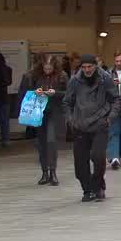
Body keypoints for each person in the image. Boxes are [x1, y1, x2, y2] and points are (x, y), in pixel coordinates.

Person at [63, 54, 119, 202]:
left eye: (90, 66)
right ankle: (87, 190)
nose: (87, 70)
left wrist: (110, 117)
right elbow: (67, 102)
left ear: (95, 66)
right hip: (80, 125)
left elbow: (115, 99)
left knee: (98, 156)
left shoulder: (104, 78)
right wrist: (70, 120)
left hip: (100, 123)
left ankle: (98, 185)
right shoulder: (75, 80)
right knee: (80, 163)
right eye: (84, 67)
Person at [30, 54, 67, 185]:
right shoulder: (35, 75)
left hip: (54, 112)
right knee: (41, 143)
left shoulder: (62, 76)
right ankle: (44, 172)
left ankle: (53, 171)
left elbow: (68, 93)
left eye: (50, 68)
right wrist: (36, 91)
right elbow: (28, 90)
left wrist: (55, 93)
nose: (47, 70)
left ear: (54, 66)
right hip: (40, 112)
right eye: (45, 68)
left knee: (51, 141)